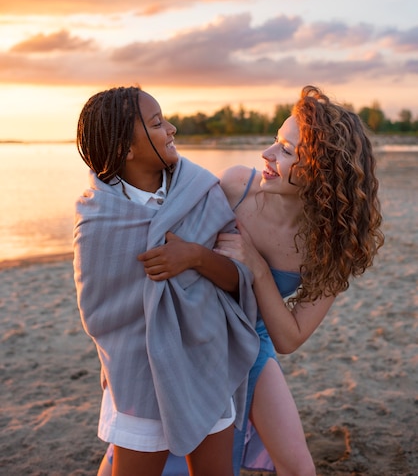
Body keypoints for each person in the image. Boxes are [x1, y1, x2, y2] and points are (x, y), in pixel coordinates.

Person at [97, 85, 384, 476]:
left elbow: (289, 337)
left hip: (252, 341)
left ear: (323, 170)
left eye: (286, 150)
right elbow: (159, 251)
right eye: (274, 141)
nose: (266, 155)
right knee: (137, 451)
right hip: (188, 334)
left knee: (300, 468)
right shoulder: (237, 187)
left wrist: (259, 270)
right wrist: (120, 345)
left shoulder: (335, 246)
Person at [73, 86, 259, 476]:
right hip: (138, 376)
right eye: (157, 123)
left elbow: (238, 281)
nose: (172, 128)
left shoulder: (202, 192)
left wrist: (193, 256)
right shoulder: (98, 220)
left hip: (205, 359)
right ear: (126, 148)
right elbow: (100, 314)